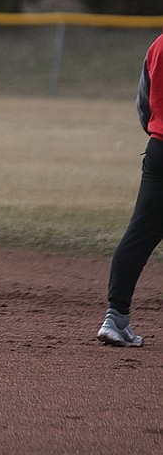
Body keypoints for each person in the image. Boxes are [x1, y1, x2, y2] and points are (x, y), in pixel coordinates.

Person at [98, 28, 163, 347]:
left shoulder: (158, 46)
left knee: (138, 236)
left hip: (159, 149)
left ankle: (115, 318)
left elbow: (143, 104)